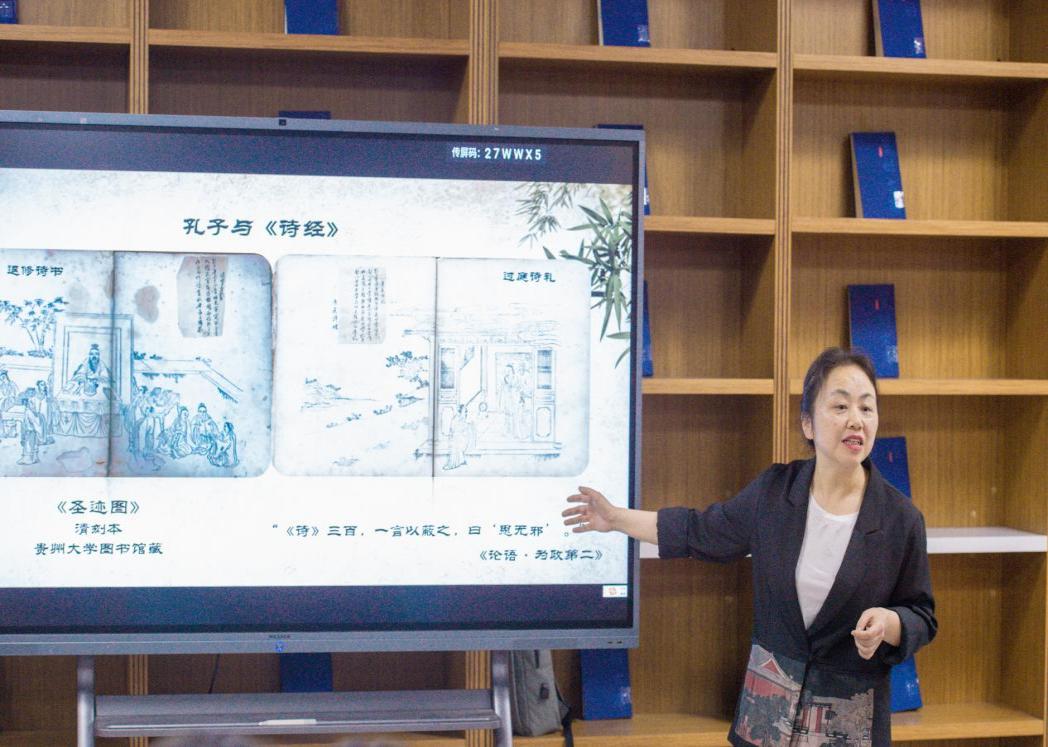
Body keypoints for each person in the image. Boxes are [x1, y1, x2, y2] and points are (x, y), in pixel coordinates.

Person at [562, 347, 936, 746]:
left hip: (846, 727)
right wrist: (615, 518)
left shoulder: (901, 519)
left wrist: (889, 624)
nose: (856, 420)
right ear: (807, 423)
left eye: (867, 408)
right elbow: (700, 530)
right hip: (766, 718)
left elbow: (922, 616)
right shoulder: (774, 492)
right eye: (840, 406)